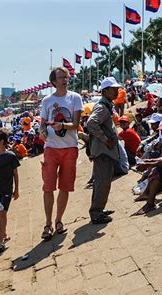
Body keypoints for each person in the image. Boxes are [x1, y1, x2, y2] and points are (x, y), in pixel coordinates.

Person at [39, 67, 83, 238]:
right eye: (61, 76)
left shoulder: (75, 98)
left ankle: (59, 220)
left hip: (70, 147)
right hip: (51, 148)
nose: (65, 79)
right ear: (54, 80)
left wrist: (63, 126)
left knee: (65, 186)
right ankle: (47, 223)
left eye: (66, 76)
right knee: (48, 187)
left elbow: (76, 124)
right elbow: (43, 123)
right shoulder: (47, 100)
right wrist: (42, 131)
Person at [86, 77, 121, 224]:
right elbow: (91, 123)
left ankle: (98, 209)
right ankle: (97, 213)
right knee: (102, 182)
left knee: (103, 182)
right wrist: (105, 139)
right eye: (114, 89)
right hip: (103, 151)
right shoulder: (102, 107)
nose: (117, 91)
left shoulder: (106, 105)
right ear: (105, 91)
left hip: (103, 151)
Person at [0, 128, 20, 252]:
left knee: (2, 213)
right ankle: (5, 233)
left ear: (1, 141)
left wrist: (16, 189)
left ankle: (0, 240)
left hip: (7, 190)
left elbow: (15, 174)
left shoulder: (10, 156)